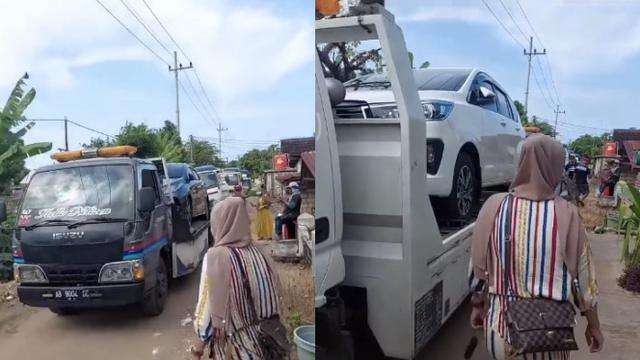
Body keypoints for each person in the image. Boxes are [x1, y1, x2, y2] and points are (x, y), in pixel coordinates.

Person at [470, 135, 603, 359]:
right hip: (549, 336)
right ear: (554, 166)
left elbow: (477, 267)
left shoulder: (493, 206)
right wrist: (594, 325)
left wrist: (477, 304)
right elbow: (584, 282)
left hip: (500, 331)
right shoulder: (567, 214)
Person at [189, 197, 281, 359]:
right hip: (269, 342)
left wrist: (199, 346)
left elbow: (208, 308)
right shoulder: (261, 252)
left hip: (238, 346)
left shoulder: (217, 257)